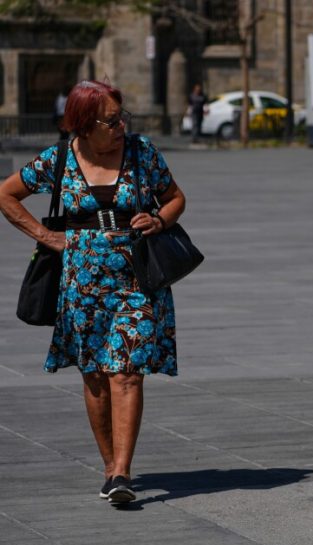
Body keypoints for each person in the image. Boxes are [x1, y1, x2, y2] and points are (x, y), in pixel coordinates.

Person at [0, 80, 186, 506]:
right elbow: (7, 195)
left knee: (127, 371)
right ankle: (107, 466)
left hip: (137, 278)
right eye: (111, 120)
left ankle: (122, 471)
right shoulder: (60, 158)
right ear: (84, 123)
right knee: (96, 374)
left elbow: (175, 198)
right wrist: (46, 235)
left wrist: (160, 221)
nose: (121, 125)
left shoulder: (141, 152)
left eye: (123, 117)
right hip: (81, 282)